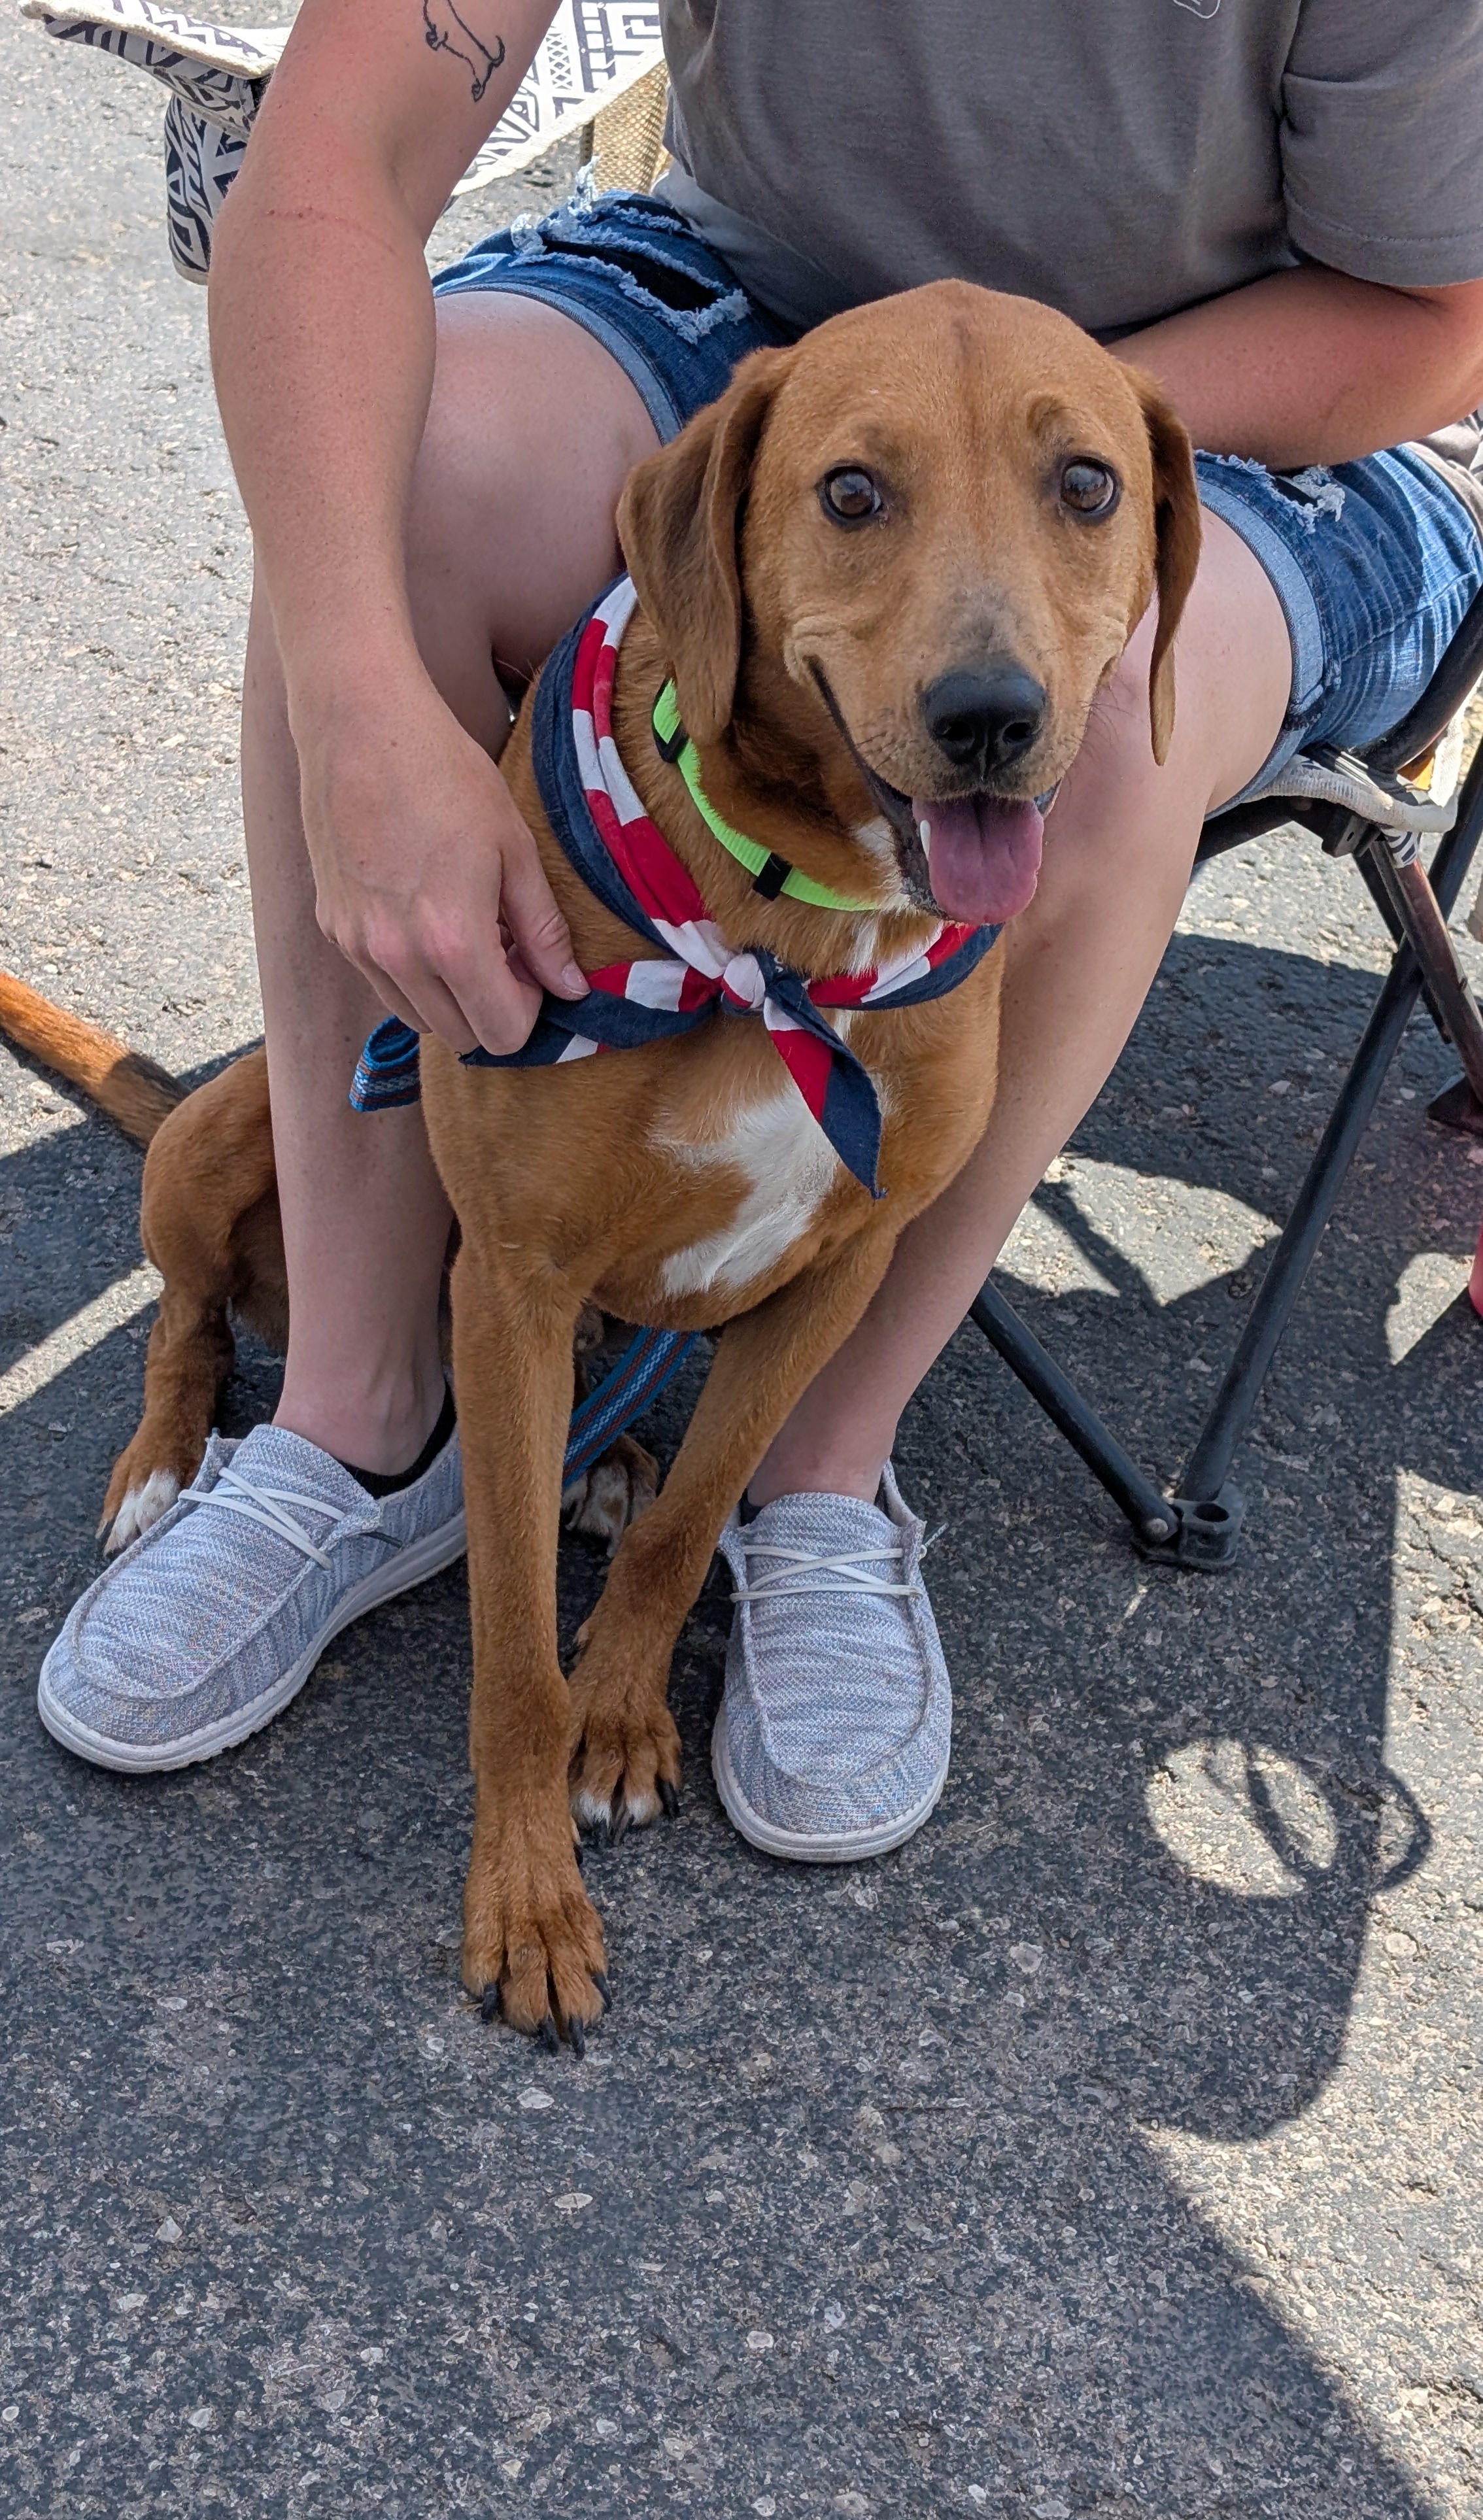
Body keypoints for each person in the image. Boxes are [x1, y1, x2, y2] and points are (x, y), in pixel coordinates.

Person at [39, 0, 1483, 1854]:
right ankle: (355, 1404)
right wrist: (357, 699)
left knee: (1105, 725)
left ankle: (815, 1471)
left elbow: (1427, 320)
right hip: (746, 288)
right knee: (396, 484)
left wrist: (1014, 454)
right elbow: (332, 160)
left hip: (1281, 407)